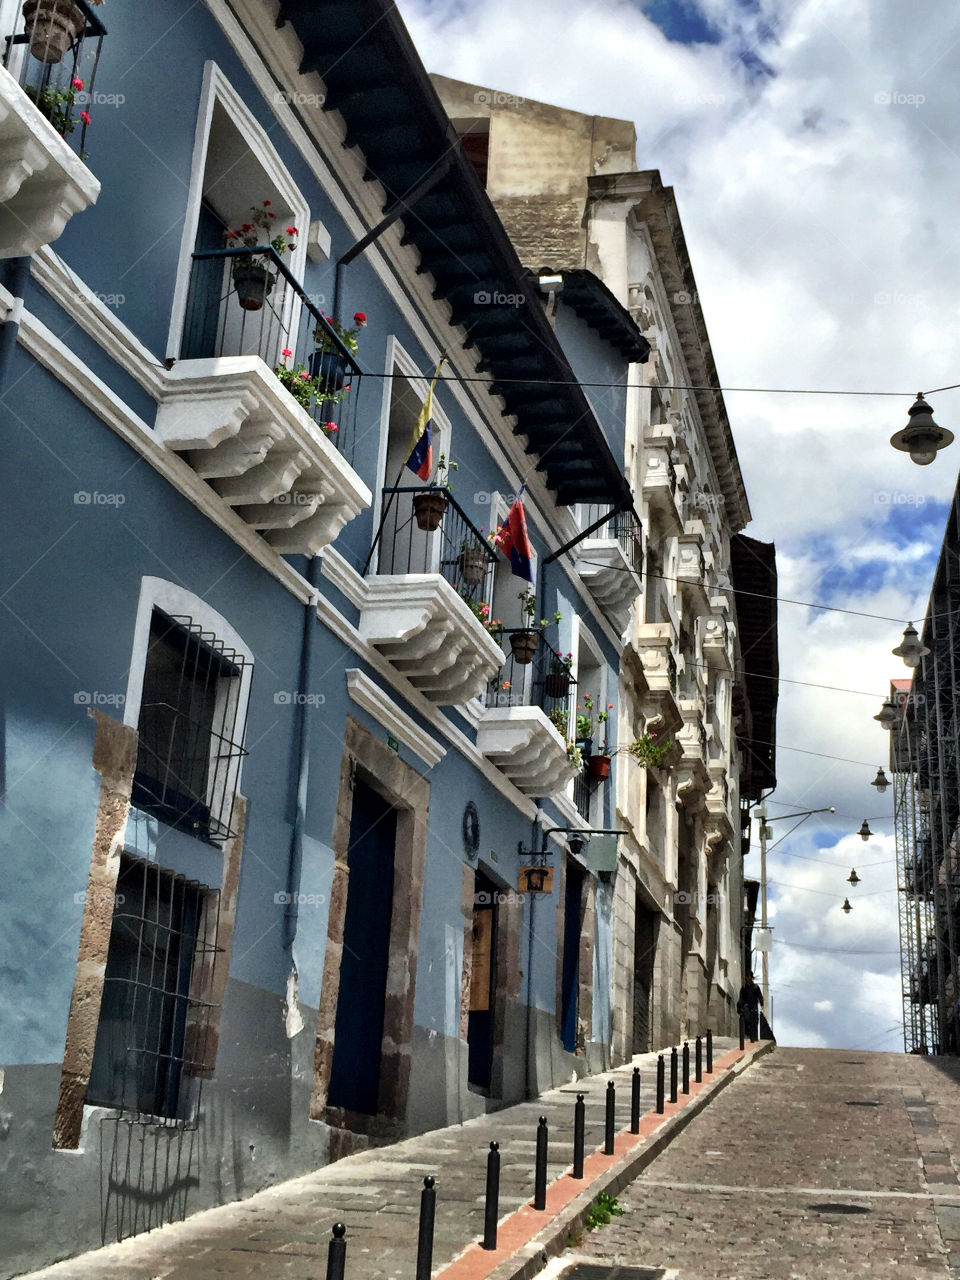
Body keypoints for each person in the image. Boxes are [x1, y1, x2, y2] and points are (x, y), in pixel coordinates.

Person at [737, 971, 763, 1041]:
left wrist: (762, 1004)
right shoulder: (744, 988)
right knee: (747, 1019)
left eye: (749, 977)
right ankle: (748, 1034)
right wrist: (740, 1006)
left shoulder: (755, 987)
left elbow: (760, 996)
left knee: (755, 1021)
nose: (748, 978)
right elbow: (741, 997)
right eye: (747, 977)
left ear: (751, 978)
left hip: (754, 1006)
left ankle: (754, 1037)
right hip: (747, 1006)